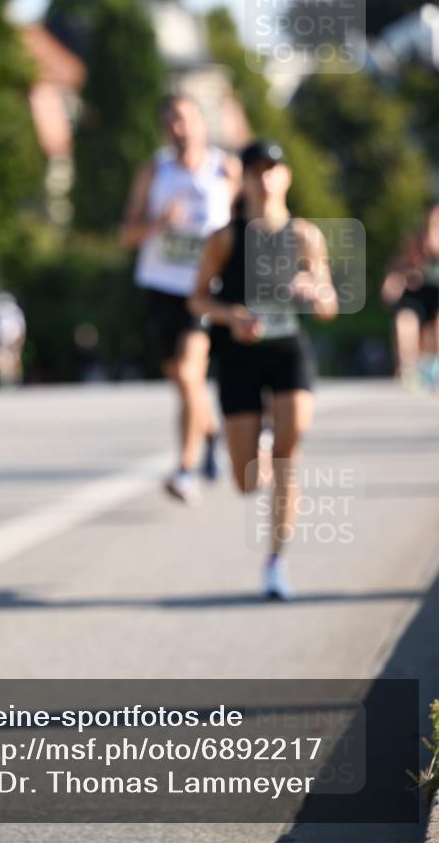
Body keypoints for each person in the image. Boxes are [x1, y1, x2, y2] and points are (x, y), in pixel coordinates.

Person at [190, 140, 338, 599]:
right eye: (255, 170)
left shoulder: (304, 236)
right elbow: (197, 299)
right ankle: (256, 444)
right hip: (240, 356)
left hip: (287, 350)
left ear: (286, 176)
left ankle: (276, 562)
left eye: (272, 168)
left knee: (292, 443)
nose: (264, 177)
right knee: (246, 479)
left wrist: (315, 290)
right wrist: (233, 316)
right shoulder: (226, 237)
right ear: (245, 180)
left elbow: (331, 304)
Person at [121, 94, 241, 506]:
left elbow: (246, 223)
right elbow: (126, 234)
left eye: (185, 118)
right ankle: (210, 435)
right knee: (181, 381)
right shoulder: (154, 170)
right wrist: (159, 223)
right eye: (170, 120)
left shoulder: (226, 168)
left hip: (203, 290)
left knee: (191, 375)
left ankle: (184, 469)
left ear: (202, 124)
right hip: (160, 286)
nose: (179, 127)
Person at [381, 200, 439, 389]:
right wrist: (406, 273)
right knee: (405, 320)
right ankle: (409, 371)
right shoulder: (411, 247)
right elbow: (388, 291)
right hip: (415, 302)